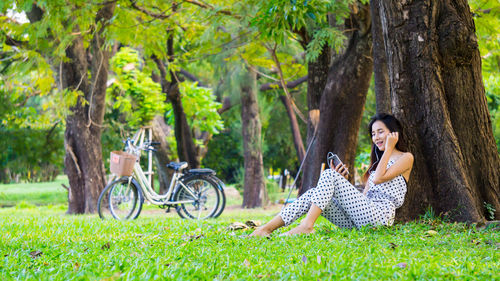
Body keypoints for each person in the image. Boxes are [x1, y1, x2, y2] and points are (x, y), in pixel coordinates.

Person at [250, 113, 414, 236]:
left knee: (329, 174)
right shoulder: (378, 164)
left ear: (393, 133)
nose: (376, 137)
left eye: (380, 132)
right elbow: (365, 196)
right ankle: (266, 229)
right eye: (373, 134)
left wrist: (390, 147)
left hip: (379, 218)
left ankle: (307, 225)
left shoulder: (406, 157)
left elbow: (379, 178)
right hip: (360, 220)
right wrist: (339, 183)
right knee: (314, 192)